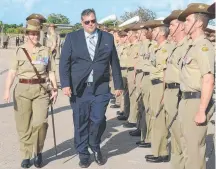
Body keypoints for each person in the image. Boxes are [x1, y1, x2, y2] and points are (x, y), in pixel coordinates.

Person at [59, 9, 123, 168]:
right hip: (79, 88)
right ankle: (83, 153)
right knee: (80, 121)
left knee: (99, 119)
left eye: (93, 21)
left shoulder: (107, 37)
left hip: (100, 87)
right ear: (82, 22)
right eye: (87, 22)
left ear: (96, 21)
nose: (90, 24)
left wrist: (118, 84)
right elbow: (64, 63)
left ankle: (94, 144)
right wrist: (65, 84)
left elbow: (114, 62)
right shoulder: (72, 38)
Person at [3, 18, 58, 168]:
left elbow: (51, 71)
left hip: (41, 90)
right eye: (32, 34)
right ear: (27, 34)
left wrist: (55, 88)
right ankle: (26, 155)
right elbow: (12, 72)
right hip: (22, 90)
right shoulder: (19, 50)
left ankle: (38, 152)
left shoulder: (45, 50)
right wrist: (6, 90)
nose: (34, 36)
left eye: (37, 34)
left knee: (40, 123)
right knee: (23, 125)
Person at [178, 3, 215, 169]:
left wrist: (201, 110)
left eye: (187, 20)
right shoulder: (192, 45)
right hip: (186, 100)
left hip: (196, 101)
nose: (184, 24)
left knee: (194, 150)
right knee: (186, 147)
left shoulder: (203, 46)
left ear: (199, 23)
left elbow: (208, 79)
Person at [144, 20, 175, 163]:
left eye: (155, 31)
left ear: (162, 33)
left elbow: (164, 72)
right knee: (155, 118)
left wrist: (163, 93)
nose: (153, 33)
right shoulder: (157, 48)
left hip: (160, 85)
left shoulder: (166, 48)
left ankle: (162, 152)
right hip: (154, 84)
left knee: (159, 118)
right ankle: (157, 150)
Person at [163, 10, 190, 169]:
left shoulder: (187, 46)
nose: (169, 28)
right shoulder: (175, 46)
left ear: (180, 26)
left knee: (181, 135)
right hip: (170, 91)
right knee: (174, 132)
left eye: (172, 25)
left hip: (180, 92)